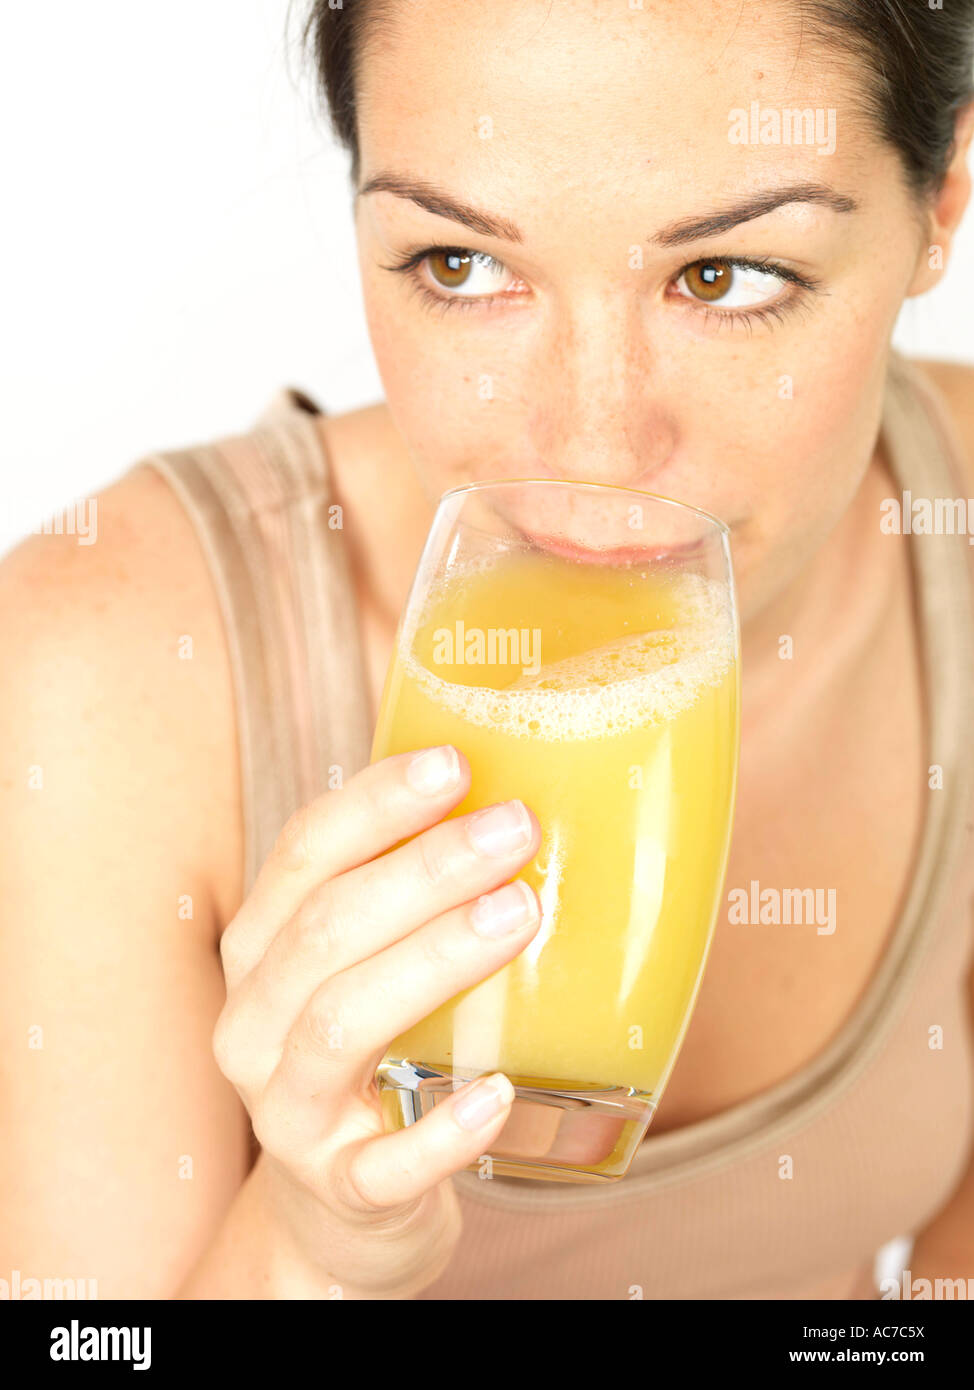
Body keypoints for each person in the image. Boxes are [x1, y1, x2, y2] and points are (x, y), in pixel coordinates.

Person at [2, 0, 974, 1300]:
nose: (586, 442)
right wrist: (307, 1244)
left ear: (939, 202)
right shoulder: (100, 665)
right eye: (460, 264)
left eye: (725, 276)